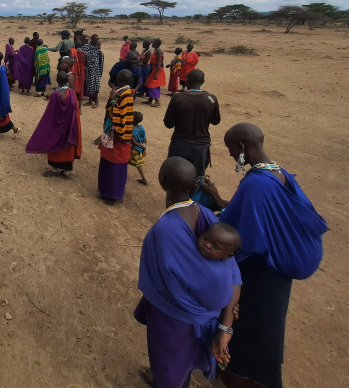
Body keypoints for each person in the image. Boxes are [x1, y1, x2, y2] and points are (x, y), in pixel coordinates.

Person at [212, 123, 327, 388]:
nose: (230, 154)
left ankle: (242, 377)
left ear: (241, 147)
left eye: (230, 148)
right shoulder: (280, 173)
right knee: (268, 328)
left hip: (260, 273)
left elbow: (243, 237)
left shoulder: (256, 184)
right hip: (278, 271)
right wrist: (217, 198)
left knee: (252, 329)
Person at [134, 156, 242, 388]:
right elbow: (231, 270)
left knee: (169, 364)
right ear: (195, 185)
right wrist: (226, 321)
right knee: (182, 363)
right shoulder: (204, 212)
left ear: (162, 181)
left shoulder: (166, 229)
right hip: (205, 316)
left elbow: (163, 279)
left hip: (175, 317)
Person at [163, 69, 226, 210]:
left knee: (174, 176)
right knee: (198, 179)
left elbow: (168, 123)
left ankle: (171, 209)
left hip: (179, 144)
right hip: (201, 147)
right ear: (202, 82)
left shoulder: (178, 98)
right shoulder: (211, 99)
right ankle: (191, 209)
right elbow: (216, 121)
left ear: (187, 81)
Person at [25, 71, 81, 177]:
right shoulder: (71, 92)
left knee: (54, 142)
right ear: (66, 81)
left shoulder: (56, 95)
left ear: (57, 81)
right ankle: (66, 170)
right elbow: (75, 110)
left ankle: (55, 168)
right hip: (68, 125)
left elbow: (51, 112)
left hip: (57, 125)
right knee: (67, 147)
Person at [96, 69, 133, 204]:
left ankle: (114, 195)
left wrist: (112, 100)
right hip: (111, 133)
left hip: (119, 134)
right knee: (107, 161)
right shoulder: (120, 91)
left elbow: (121, 115)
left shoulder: (127, 94)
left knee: (116, 165)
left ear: (119, 79)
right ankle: (105, 191)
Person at [82, 34, 105, 107]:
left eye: (98, 39)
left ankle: (96, 101)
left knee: (96, 84)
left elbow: (100, 56)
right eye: (96, 39)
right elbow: (84, 56)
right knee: (89, 85)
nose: (97, 40)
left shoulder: (97, 47)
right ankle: (90, 101)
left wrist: (99, 51)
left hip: (96, 68)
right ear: (92, 39)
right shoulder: (86, 47)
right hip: (89, 68)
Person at [144, 38, 166, 107]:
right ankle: (150, 100)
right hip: (154, 69)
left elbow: (159, 62)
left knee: (152, 84)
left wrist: (156, 73)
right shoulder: (156, 51)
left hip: (157, 70)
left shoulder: (158, 52)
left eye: (153, 43)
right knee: (150, 83)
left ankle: (157, 101)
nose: (152, 44)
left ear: (156, 44)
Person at [129, 110, 148, 186]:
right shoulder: (142, 128)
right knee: (139, 165)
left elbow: (133, 141)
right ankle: (144, 179)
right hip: (140, 149)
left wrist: (138, 144)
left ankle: (144, 179)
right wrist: (144, 147)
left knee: (124, 160)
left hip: (134, 149)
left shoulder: (131, 129)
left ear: (133, 120)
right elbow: (145, 139)